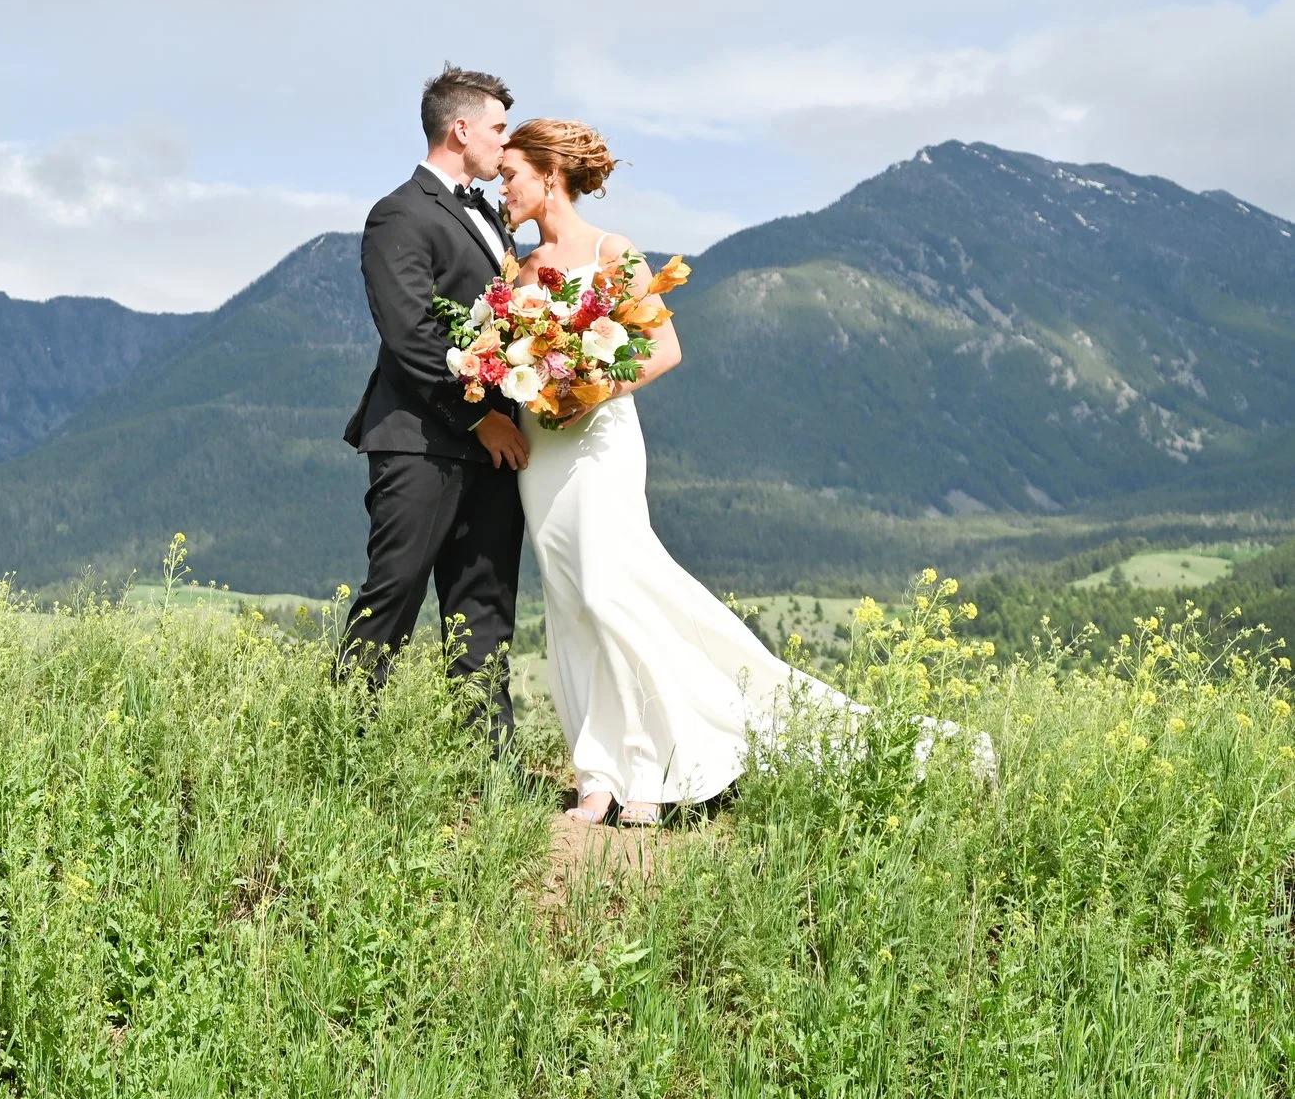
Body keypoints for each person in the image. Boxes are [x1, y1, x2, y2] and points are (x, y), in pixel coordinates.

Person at [500, 118, 992, 825]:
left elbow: (663, 348)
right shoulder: (515, 272)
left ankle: (656, 763)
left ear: (548, 173)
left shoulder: (615, 253)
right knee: (571, 603)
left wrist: (588, 391)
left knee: (611, 592)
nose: (502, 188)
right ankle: (597, 772)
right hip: (541, 451)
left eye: (510, 173)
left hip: (600, 440)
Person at [340, 67, 532, 737]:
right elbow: (411, 333)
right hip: (421, 442)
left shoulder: (493, 219)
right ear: (461, 128)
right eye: (499, 128)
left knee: (485, 608)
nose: (506, 146)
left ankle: (489, 770)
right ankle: (345, 748)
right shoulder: (400, 213)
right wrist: (479, 417)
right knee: (392, 596)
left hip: (497, 449)